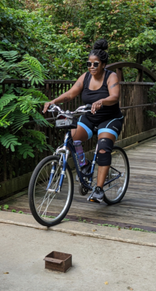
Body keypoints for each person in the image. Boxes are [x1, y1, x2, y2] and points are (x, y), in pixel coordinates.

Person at [42, 39, 123, 203]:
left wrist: (102, 101)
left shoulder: (111, 76)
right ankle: (84, 164)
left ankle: (99, 190)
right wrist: (53, 102)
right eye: (89, 64)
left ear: (103, 64)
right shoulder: (85, 77)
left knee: (102, 149)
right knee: (73, 136)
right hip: (90, 116)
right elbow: (71, 93)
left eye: (95, 64)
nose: (91, 67)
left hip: (109, 118)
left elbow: (115, 96)